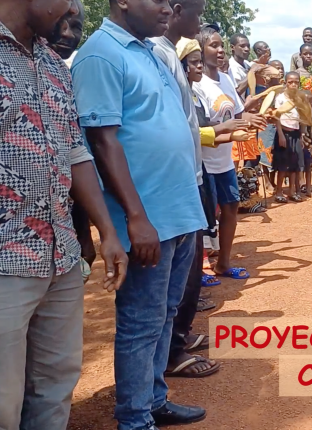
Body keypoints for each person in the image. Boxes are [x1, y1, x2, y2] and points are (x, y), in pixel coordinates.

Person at [71, 0, 210, 427]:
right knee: (141, 321)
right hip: (146, 217)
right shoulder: (101, 53)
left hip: (178, 210)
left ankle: (153, 399)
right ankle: (135, 418)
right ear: (123, 2)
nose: (168, 8)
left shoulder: (148, 51)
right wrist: (135, 217)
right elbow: (102, 140)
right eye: (158, 1)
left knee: (165, 314)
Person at [0, 1, 128, 429]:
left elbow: (75, 152)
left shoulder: (54, 65)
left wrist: (107, 231)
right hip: (6, 263)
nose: (74, 6)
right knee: (2, 402)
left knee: (55, 387)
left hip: (61, 257)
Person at [147, 0, 224, 380]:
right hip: (175, 185)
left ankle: (178, 340)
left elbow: (188, 125)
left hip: (190, 178)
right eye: (198, 12)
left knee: (187, 274)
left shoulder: (167, 55)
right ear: (179, 10)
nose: (201, 21)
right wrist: (219, 132)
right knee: (174, 282)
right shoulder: (157, 55)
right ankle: (171, 352)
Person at [193, 26, 253, 281]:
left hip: (224, 161)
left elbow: (239, 115)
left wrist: (262, 117)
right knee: (205, 215)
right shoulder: (197, 84)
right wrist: (231, 132)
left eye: (221, 45)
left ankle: (223, 263)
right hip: (204, 161)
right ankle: (200, 268)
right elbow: (201, 128)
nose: (220, 50)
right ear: (200, 49)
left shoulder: (226, 79)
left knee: (230, 208)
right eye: (213, 45)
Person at [46, 0, 97, 277]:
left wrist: (85, 236)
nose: (67, 33)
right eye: (60, 23)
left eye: (76, 27)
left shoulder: (66, 75)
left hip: (67, 216)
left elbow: (75, 158)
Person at [272, 72, 306, 203]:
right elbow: (276, 117)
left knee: (294, 164)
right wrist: (280, 134)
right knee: (282, 165)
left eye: (296, 82)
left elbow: (302, 117)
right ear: (285, 83)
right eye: (290, 82)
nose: (293, 84)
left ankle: (292, 191)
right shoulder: (280, 98)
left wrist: (302, 135)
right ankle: (279, 192)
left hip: (295, 134)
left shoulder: (300, 98)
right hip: (284, 133)